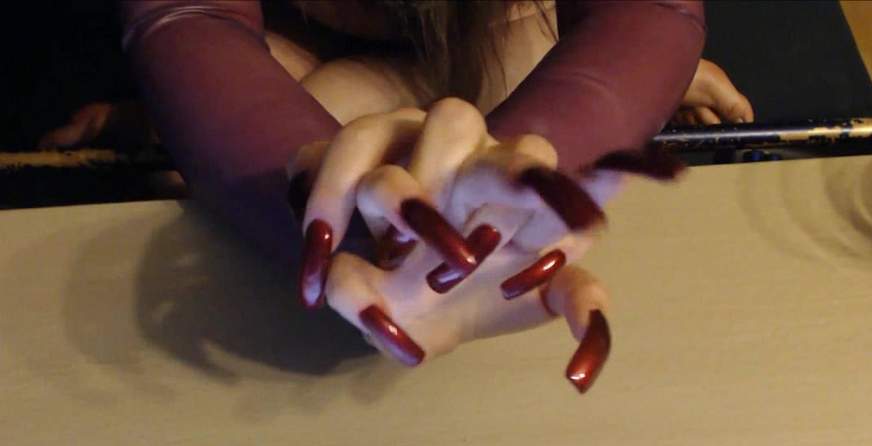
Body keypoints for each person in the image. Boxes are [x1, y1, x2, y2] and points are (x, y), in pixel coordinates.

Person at [44, 1, 749, 391]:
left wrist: (530, 160)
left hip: (504, 24)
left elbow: (648, 10)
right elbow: (190, 15)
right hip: (278, 29)